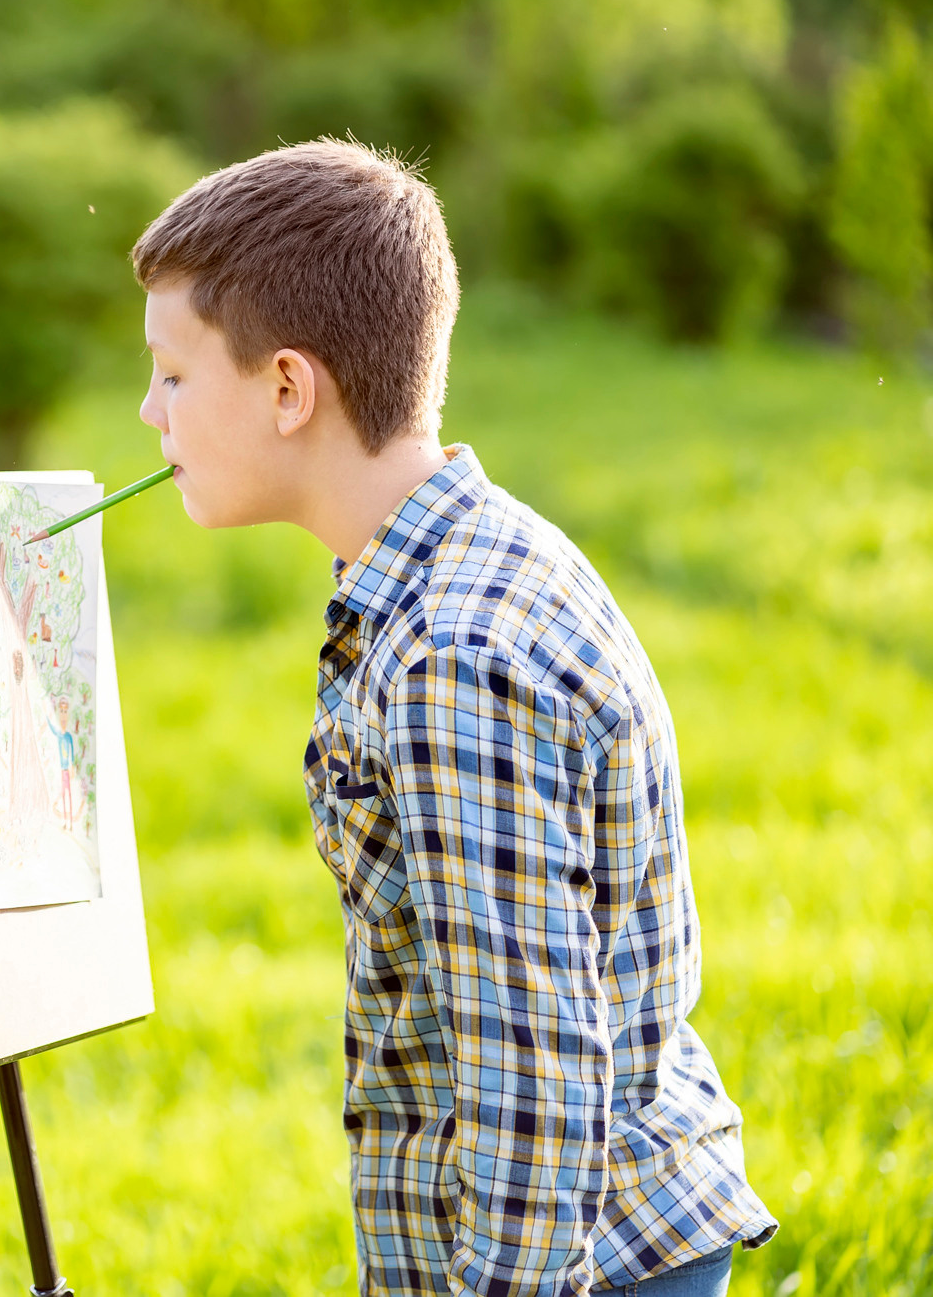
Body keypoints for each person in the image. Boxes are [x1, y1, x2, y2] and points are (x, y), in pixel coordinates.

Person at [130, 139, 777, 1297]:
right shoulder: (460, 557)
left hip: (580, 1265)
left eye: (172, 375)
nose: (148, 410)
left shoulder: (452, 662)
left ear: (287, 389)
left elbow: (532, 1079)